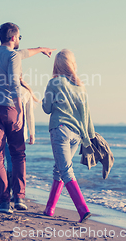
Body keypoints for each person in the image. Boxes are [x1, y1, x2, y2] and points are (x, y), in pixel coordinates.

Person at [0, 22, 55, 214]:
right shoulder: (13, 56)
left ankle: (4, 202)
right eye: (20, 38)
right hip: (9, 108)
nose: (20, 42)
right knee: (18, 154)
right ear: (14, 37)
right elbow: (15, 82)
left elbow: (22, 53)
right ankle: (19, 197)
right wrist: (19, 108)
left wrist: (40, 49)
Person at [42, 49, 94, 223]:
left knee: (65, 171)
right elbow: (86, 114)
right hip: (76, 134)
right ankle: (50, 209)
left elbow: (47, 108)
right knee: (60, 169)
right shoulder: (81, 86)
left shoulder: (54, 83)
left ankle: (83, 210)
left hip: (60, 130)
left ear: (57, 65)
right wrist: (89, 138)